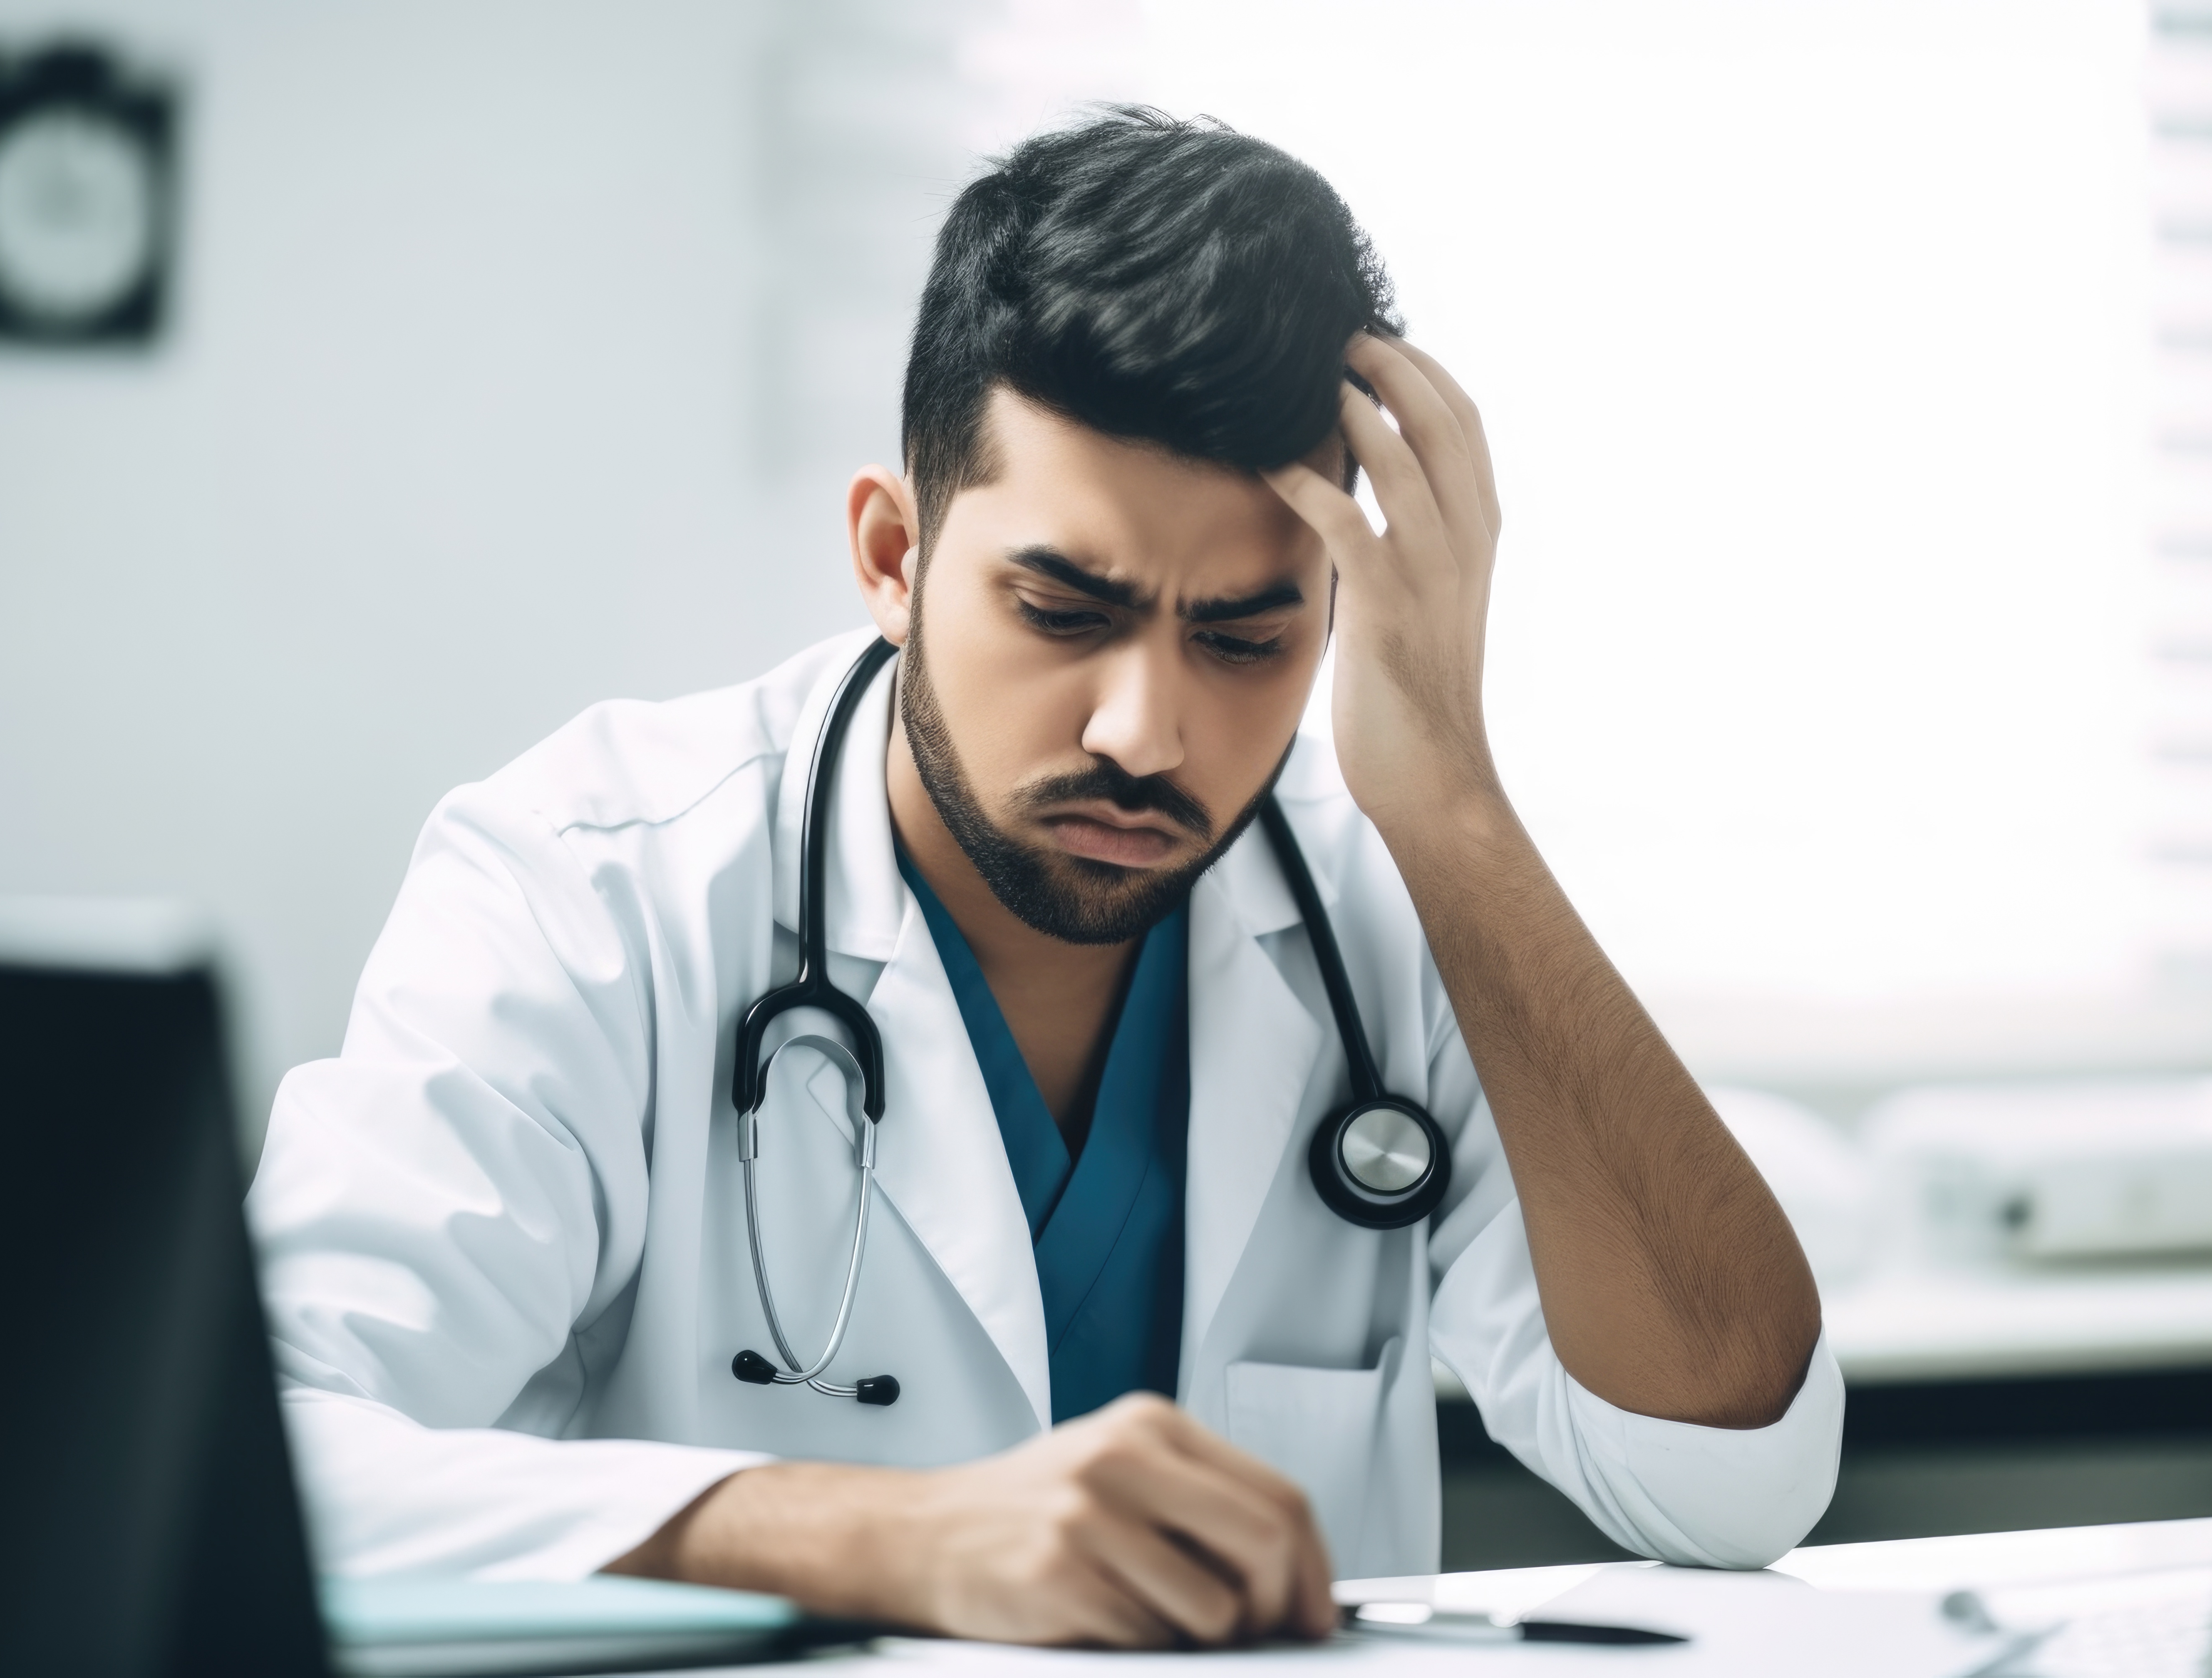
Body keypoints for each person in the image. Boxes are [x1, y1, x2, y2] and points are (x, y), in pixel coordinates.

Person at [248, 108, 1840, 1649]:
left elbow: (1735, 1480)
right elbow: (275, 1456)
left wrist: (1460, 812)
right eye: (1066, 613)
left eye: (1245, 637)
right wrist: (885, 1542)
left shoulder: (1395, 905)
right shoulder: (588, 890)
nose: (1146, 732)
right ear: (894, 557)